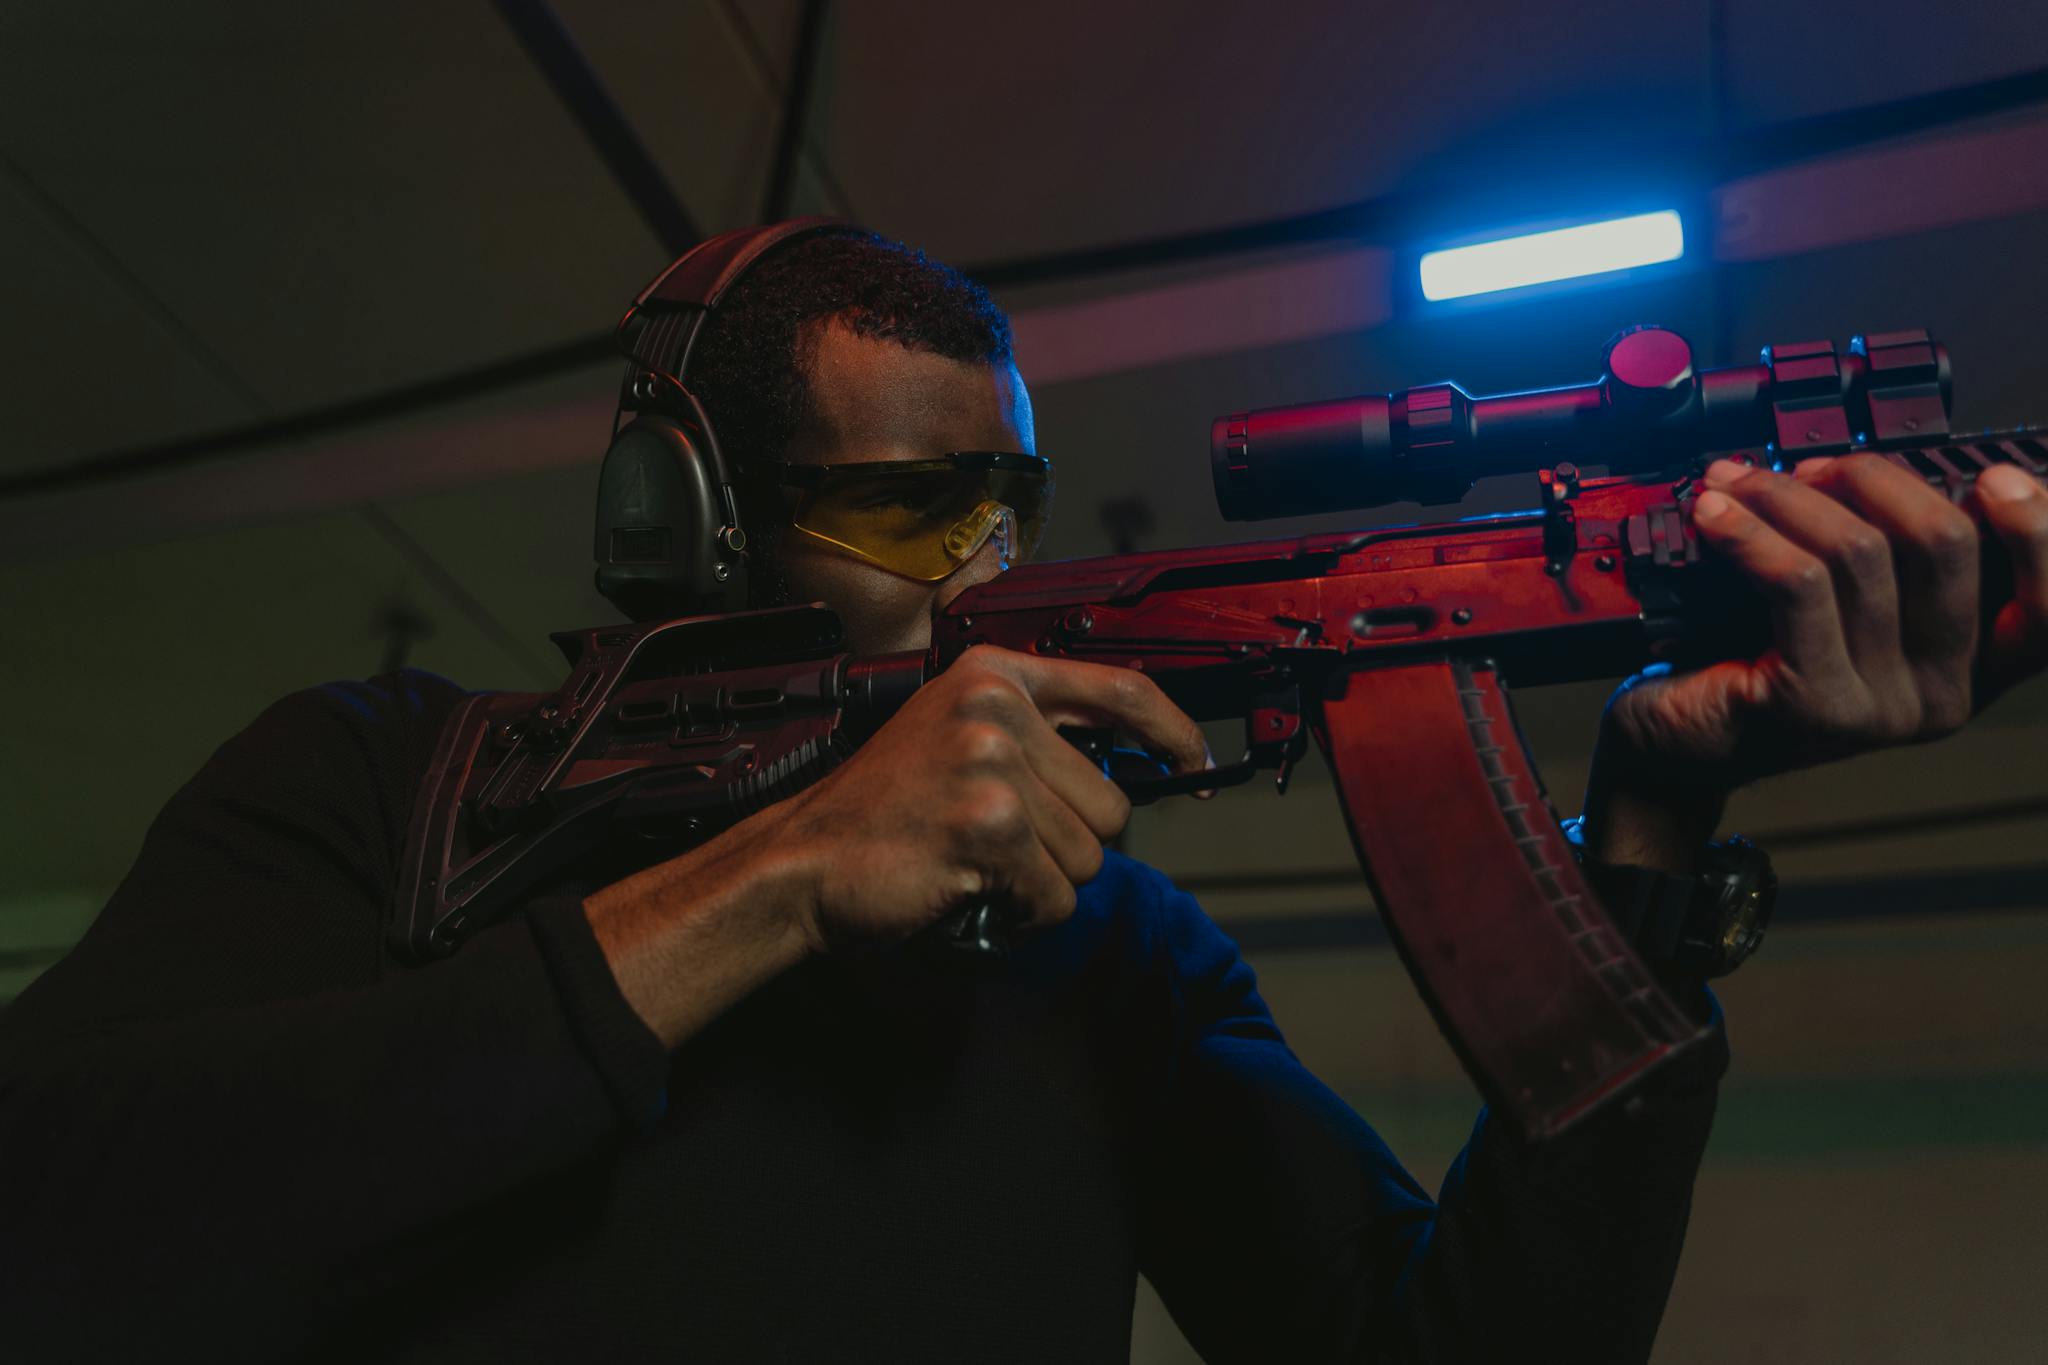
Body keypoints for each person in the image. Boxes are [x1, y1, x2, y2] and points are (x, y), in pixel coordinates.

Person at [1, 227, 2043, 1365]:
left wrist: (1653, 839)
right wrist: (785, 872)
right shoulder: (395, 781)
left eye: (1007, 503)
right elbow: (60, 1225)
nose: (978, 564)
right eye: (902, 506)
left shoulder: (1108, 950)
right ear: (683, 520)